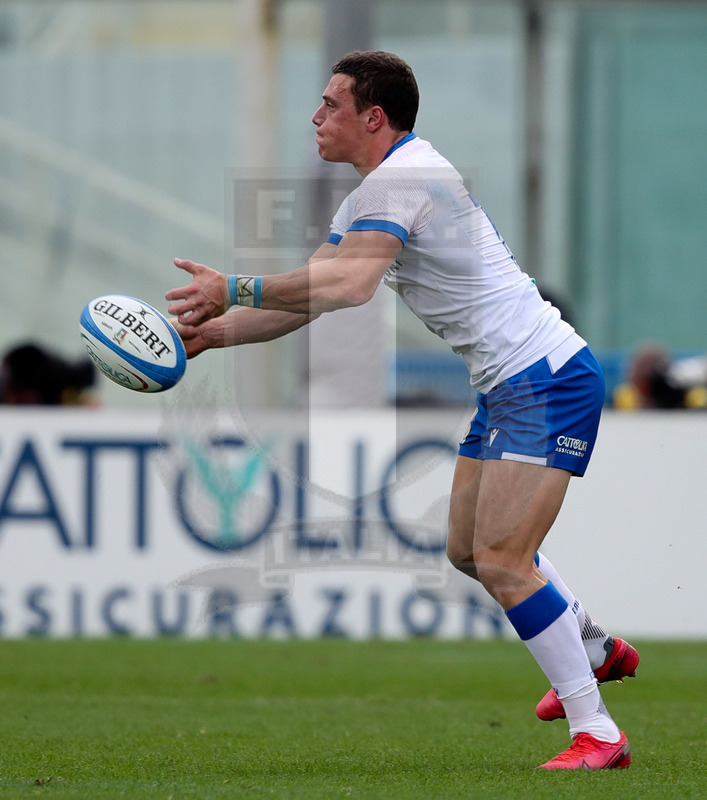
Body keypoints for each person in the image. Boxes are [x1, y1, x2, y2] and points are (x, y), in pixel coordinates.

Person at [165, 51, 639, 770]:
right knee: (466, 551)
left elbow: (350, 286)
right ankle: (595, 647)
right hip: (510, 383)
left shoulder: (405, 179)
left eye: (330, 104)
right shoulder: (372, 194)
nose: (316, 117)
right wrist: (217, 332)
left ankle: (596, 731)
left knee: (505, 560)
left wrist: (234, 285)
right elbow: (320, 294)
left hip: (544, 377)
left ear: (372, 117)